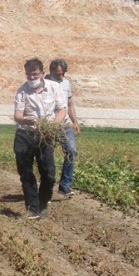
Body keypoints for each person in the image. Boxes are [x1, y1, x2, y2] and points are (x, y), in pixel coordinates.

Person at [13, 57, 67, 219]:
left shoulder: (54, 87)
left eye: (35, 74)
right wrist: (25, 120)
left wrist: (53, 126)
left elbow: (62, 110)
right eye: (28, 75)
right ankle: (32, 209)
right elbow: (17, 115)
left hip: (46, 134)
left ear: (43, 73)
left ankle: (43, 204)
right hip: (25, 134)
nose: (32, 78)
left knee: (48, 173)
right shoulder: (22, 91)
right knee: (26, 172)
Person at [46, 58, 80, 197]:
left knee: (72, 151)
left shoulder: (66, 83)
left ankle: (65, 185)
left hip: (64, 124)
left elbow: (70, 104)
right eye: (57, 73)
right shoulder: (45, 83)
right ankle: (46, 187)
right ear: (51, 71)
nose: (59, 76)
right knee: (47, 156)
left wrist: (75, 122)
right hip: (48, 124)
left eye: (61, 73)